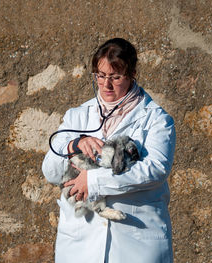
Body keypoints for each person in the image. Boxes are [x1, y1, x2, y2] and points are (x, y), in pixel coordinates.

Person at [42, 38, 176, 263]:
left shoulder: (157, 119)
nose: (106, 85)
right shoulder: (77, 115)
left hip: (136, 240)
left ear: (132, 74)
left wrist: (93, 181)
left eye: (116, 77)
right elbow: (50, 172)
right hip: (81, 240)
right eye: (100, 76)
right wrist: (73, 145)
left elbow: (155, 170)